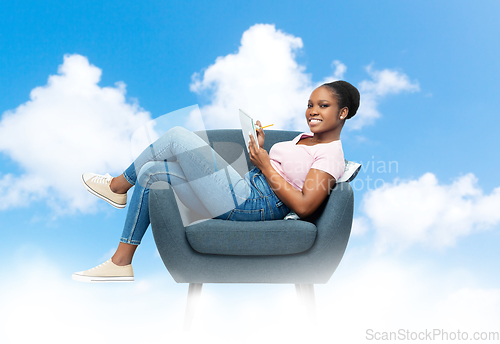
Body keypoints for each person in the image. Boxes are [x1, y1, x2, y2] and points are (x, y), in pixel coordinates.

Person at [72, 80, 360, 282]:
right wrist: (260, 150)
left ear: (342, 113)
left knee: (175, 136)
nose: (312, 111)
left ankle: (116, 187)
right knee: (152, 173)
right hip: (245, 187)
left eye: (323, 105)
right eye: (310, 104)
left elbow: (306, 206)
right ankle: (121, 262)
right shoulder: (305, 138)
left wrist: (264, 165)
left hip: (254, 203)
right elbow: (284, 169)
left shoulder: (331, 154)